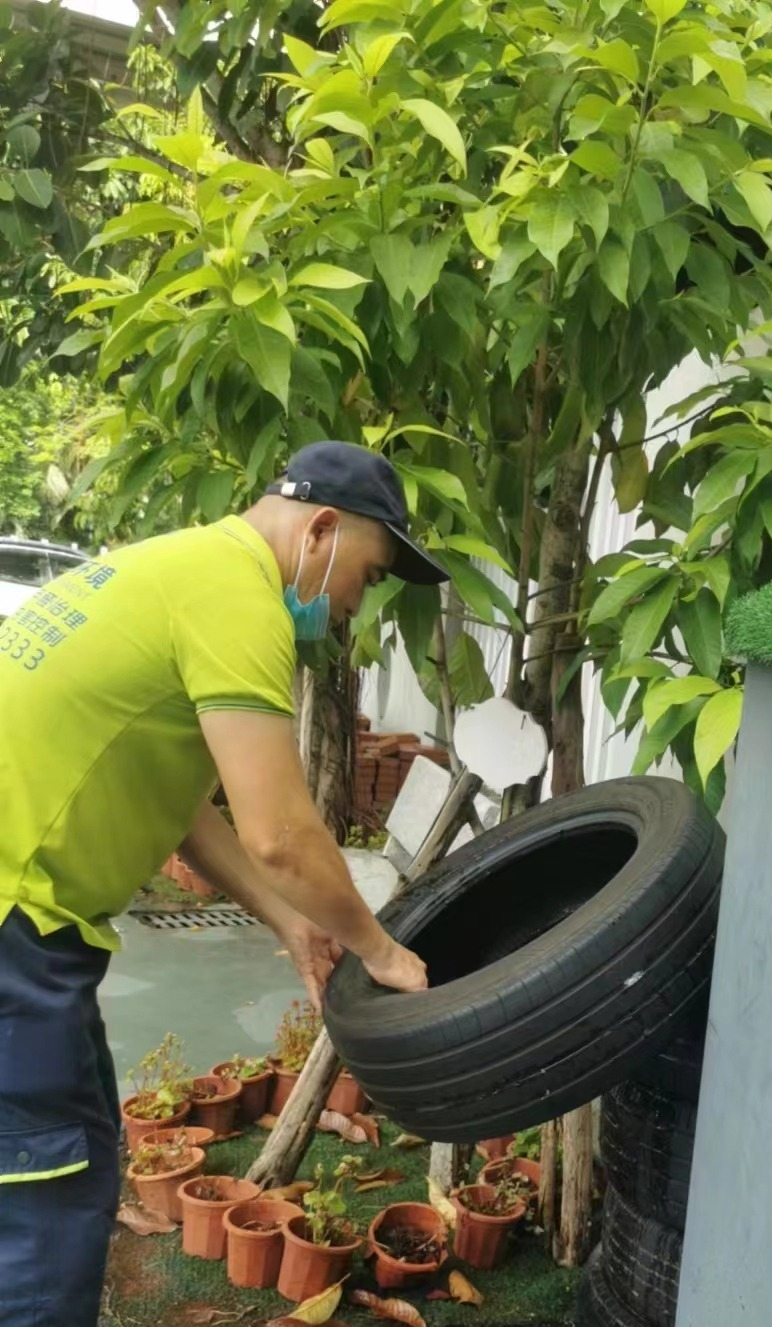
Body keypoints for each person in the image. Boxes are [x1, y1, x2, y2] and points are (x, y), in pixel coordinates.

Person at [0, 441, 443, 1327]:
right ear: (321, 529)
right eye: (367, 572)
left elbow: (184, 809)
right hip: (15, 935)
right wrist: (381, 948)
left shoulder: (179, 566)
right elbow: (281, 833)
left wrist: (289, 922)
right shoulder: (239, 597)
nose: (355, 604)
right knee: (40, 1210)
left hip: (39, 933)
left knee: (77, 1156)